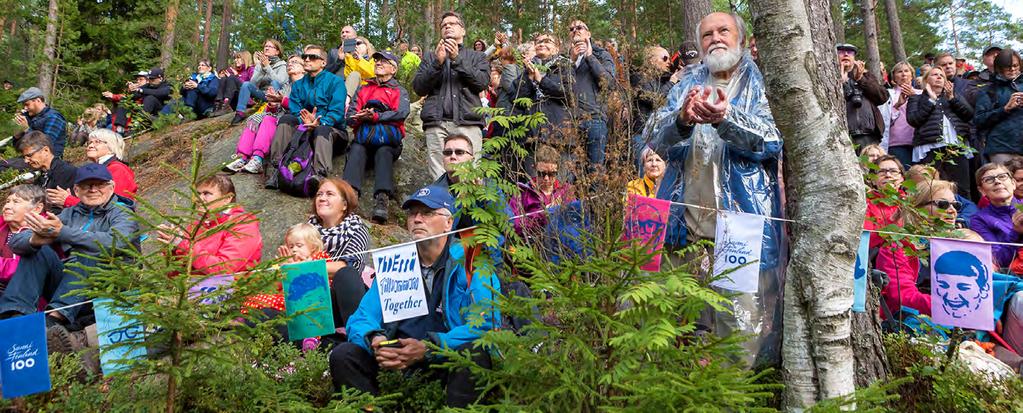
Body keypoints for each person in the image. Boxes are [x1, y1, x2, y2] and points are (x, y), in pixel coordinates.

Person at [644, 12, 783, 367]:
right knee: (666, 314)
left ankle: (730, 396)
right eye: (707, 34)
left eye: (724, 31)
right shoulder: (684, 83)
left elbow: (772, 140)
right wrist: (681, 120)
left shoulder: (761, 82)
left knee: (737, 324)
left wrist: (726, 118)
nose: (715, 39)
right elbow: (652, 139)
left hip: (741, 224)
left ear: (740, 37)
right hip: (683, 221)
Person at [329, 185, 499, 408]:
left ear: (449, 222)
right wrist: (375, 341)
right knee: (343, 355)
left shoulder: (472, 262)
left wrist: (430, 348)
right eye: (412, 213)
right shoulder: (397, 263)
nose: (417, 219)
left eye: (427, 213)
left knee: (474, 354)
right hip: (395, 366)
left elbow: (486, 325)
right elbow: (361, 318)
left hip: (444, 364)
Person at [0, 163, 138, 351]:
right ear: (76, 190)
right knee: (38, 251)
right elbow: (16, 242)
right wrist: (35, 238)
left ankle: (54, 321)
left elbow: (116, 243)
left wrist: (62, 232)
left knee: (88, 249)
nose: (93, 189)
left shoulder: (122, 212)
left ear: (111, 187)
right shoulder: (69, 214)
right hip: (71, 285)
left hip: (111, 283)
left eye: (100, 184)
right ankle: (15, 317)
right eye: (87, 185)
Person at [413, 11, 490, 178]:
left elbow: (482, 82)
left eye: (452, 23)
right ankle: (442, 205)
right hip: (437, 124)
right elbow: (419, 88)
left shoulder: (477, 56)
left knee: (471, 175)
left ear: (463, 30)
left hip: (467, 122)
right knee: (439, 177)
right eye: (443, 25)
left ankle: (467, 206)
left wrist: (457, 59)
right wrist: (437, 63)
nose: (447, 26)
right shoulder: (430, 57)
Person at [875, 179, 963, 317]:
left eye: (955, 205)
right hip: (914, 323)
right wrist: (951, 307)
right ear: (917, 209)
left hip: (956, 316)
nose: (952, 211)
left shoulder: (959, 244)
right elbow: (902, 296)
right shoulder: (897, 246)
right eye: (943, 204)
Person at [264, 44, 347, 188]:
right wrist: (305, 120)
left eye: (312, 57)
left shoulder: (336, 82)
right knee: (286, 120)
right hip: (304, 127)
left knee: (322, 129)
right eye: (305, 57)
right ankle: (277, 168)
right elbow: (295, 108)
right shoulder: (298, 85)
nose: (307, 60)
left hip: (332, 131)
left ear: (323, 62)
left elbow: (337, 112)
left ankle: (320, 175)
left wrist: (318, 121)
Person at [342, 51, 410, 224]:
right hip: (364, 139)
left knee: (384, 150)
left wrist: (376, 117)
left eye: (384, 61)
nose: (378, 63)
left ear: (393, 69)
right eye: (377, 60)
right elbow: (349, 116)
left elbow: (402, 113)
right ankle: (349, 197)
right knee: (356, 148)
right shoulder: (364, 88)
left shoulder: (399, 90)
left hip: (387, 141)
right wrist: (359, 116)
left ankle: (382, 199)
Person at [156, 175, 262, 275]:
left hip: (236, 290)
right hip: (196, 290)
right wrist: (172, 248)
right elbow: (181, 270)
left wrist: (183, 244)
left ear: (227, 198)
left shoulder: (243, 225)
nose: (199, 199)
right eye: (198, 194)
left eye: (206, 193)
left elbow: (224, 269)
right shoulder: (198, 224)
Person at [305, 178, 370, 330]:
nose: (322, 198)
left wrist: (307, 266)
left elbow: (349, 267)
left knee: (346, 275)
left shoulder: (357, 229)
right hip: (306, 298)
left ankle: (358, 336)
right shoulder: (305, 230)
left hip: (340, 299)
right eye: (319, 194)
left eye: (329, 194)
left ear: (344, 205)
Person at [224, 54, 305, 174]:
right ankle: (241, 157)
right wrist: (272, 105)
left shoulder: (307, 84)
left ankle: (257, 158)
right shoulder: (287, 86)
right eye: (289, 62)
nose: (290, 64)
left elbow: (302, 107)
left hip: (293, 121)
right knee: (254, 118)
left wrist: (282, 101)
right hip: (281, 116)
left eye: (295, 62)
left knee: (268, 119)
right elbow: (275, 107)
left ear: (304, 68)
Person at [906, 66, 974, 199]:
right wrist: (930, 100)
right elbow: (914, 120)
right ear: (926, 80)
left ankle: (963, 217)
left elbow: (969, 115)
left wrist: (953, 98)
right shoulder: (917, 98)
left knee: (962, 187)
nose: (938, 77)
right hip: (930, 147)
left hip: (956, 147)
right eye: (934, 75)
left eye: (941, 76)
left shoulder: (954, 96)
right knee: (931, 186)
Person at [566, 19, 616, 169]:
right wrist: (571, 62)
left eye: (580, 27)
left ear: (588, 33)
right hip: (569, 121)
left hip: (595, 119)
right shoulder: (564, 57)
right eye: (571, 29)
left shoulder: (601, 54)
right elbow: (559, 85)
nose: (575, 30)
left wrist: (589, 56)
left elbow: (608, 83)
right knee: (570, 170)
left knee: (595, 171)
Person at [52, 129, 137, 209]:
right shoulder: (102, 168)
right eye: (90, 142)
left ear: (111, 147)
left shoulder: (117, 169)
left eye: (97, 142)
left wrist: (69, 201)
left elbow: (110, 206)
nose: (91, 146)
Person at [511, 145, 574, 237]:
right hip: (532, 244)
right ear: (534, 168)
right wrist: (544, 215)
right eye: (541, 173)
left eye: (551, 174)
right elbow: (514, 225)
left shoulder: (566, 190)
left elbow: (575, 221)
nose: (546, 178)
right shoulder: (522, 191)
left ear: (558, 171)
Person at [974, 48, 1023, 165]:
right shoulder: (988, 90)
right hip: (1001, 146)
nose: (1012, 69)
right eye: (1007, 66)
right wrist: (1005, 108)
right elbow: (979, 120)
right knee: (1004, 182)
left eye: (1015, 65)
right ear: (999, 68)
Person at [836, 44, 888, 151]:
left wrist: (861, 80)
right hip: (843, 135)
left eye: (850, 52)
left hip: (869, 134)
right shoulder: (829, 75)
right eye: (841, 51)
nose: (846, 54)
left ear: (854, 57)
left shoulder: (866, 75)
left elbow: (882, 97)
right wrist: (841, 83)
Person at [970, 163, 1021, 270]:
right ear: (982, 190)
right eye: (989, 179)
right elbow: (998, 261)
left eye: (1002, 176)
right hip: (1012, 276)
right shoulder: (980, 219)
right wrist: (1015, 232)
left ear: (1013, 183)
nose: (997, 181)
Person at [230, 39, 289, 125]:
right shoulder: (259, 65)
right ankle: (240, 113)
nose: (266, 48)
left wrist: (267, 67)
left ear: (277, 52)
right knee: (246, 85)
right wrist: (261, 68)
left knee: (274, 83)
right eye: (266, 46)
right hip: (263, 94)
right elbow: (253, 84)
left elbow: (280, 82)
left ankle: (275, 108)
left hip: (277, 95)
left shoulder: (282, 65)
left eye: (270, 46)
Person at [630, 46, 677, 155]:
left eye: (670, 59)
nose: (669, 62)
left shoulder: (664, 79)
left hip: (661, 135)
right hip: (642, 135)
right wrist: (672, 82)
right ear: (651, 60)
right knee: (644, 171)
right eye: (665, 58)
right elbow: (655, 100)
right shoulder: (638, 77)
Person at [0, 185, 45, 295]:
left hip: (28, 297)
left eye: (16, 201)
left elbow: (25, 270)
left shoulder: (44, 233)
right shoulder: (2, 229)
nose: (7, 206)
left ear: (37, 208)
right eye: (7, 201)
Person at [18, 132, 77, 214]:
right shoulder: (42, 175)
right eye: (24, 157)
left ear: (46, 150)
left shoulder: (66, 172)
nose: (26, 160)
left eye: (29, 155)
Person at [882, 61, 920, 166]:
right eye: (899, 71)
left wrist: (915, 98)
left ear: (912, 75)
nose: (903, 74)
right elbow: (884, 120)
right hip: (897, 143)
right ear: (893, 77)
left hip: (920, 143)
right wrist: (897, 105)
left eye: (906, 71)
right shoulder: (888, 94)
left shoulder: (921, 93)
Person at [14, 87, 68, 159]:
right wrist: (17, 135)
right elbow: (18, 148)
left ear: (38, 101)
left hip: (49, 162)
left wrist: (27, 129)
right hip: (29, 158)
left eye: (27, 104)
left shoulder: (53, 117)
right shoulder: (29, 117)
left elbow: (46, 145)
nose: (25, 108)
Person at [214, 51, 254, 115]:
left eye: (238, 58)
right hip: (234, 99)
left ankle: (226, 104)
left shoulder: (250, 69)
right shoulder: (233, 70)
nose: (235, 60)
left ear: (245, 58)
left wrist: (237, 76)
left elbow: (252, 85)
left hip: (245, 98)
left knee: (231, 77)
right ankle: (218, 105)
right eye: (235, 58)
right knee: (224, 79)